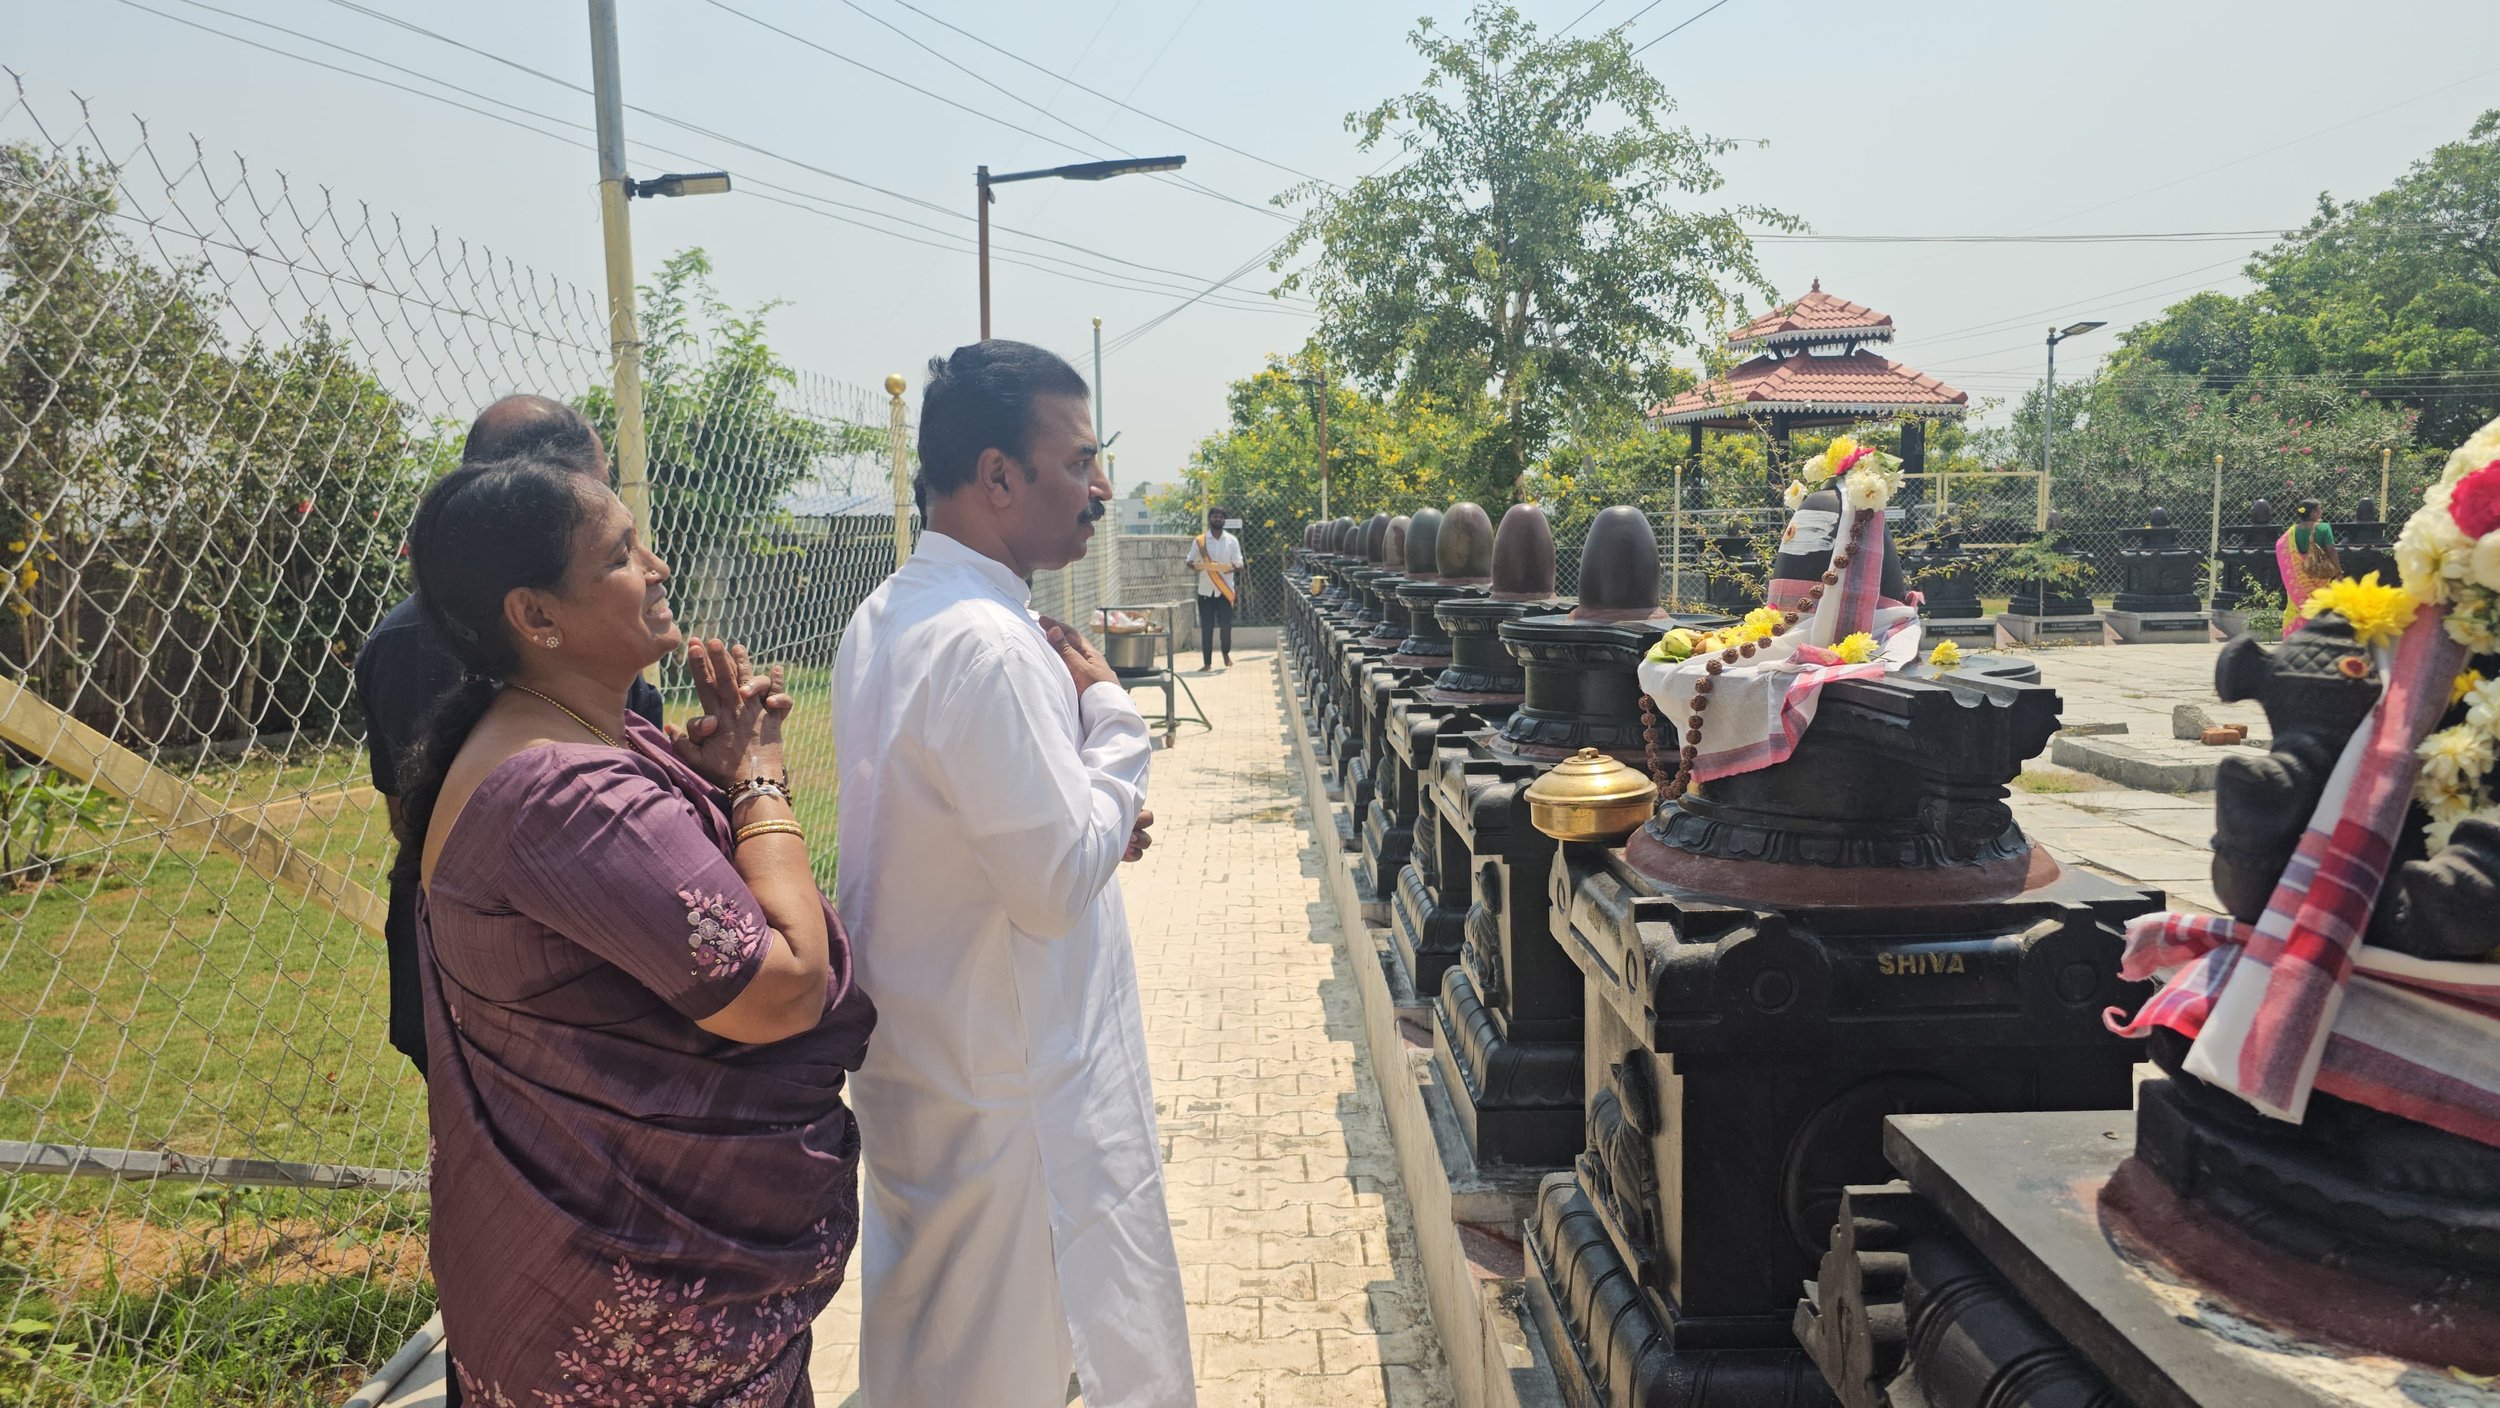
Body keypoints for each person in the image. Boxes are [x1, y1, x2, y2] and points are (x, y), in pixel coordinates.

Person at [397, 454, 874, 1405]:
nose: (656, 566)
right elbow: (780, 988)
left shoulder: (580, 738)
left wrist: (716, 780)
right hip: (630, 1313)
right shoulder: (561, 791)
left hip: (601, 1270)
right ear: (536, 616)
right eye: (620, 555)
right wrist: (760, 783)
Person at [831, 340, 1189, 1408]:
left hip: (933, 1059)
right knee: (1003, 1363)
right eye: (1078, 461)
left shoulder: (888, 612)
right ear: (996, 476)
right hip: (1008, 1084)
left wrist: (1085, 812)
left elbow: (996, 830)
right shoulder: (988, 642)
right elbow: (1052, 882)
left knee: (933, 1348)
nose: (1101, 488)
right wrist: (1112, 719)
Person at [353, 394, 663, 1077]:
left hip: (591, 970)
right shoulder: (419, 642)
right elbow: (422, 822)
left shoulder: (593, 636)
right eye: (597, 491)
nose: (648, 565)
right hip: (508, 984)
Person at [1184, 505, 1242, 671]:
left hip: (1225, 591)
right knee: (1207, 628)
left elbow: (1239, 564)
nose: (1218, 519)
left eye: (1220, 517)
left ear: (1224, 520)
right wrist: (1199, 566)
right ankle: (1207, 663)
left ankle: (1225, 653)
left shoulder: (1232, 540)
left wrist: (1228, 568)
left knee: (1226, 626)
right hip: (1205, 591)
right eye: (1215, 516)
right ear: (1210, 519)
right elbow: (1189, 561)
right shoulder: (1200, 541)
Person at [2275, 497, 2340, 637]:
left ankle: (2295, 635)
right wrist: (2339, 571)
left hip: (2298, 576)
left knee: (2297, 605)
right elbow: (2331, 550)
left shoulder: (2292, 531)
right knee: (2321, 603)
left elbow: (2281, 547)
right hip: (2319, 574)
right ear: (2314, 513)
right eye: (2319, 509)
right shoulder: (2324, 527)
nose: (2321, 512)